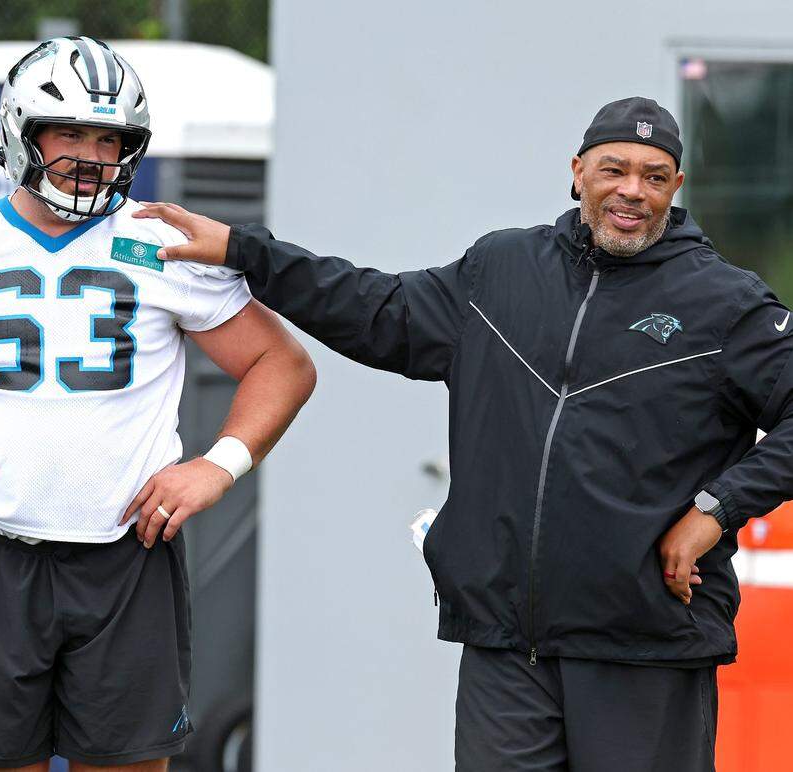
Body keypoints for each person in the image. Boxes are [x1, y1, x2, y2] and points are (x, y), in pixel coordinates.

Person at [133, 97, 793, 771]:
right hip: (506, 649)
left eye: (654, 176)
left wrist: (715, 511)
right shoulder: (501, 270)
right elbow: (374, 308)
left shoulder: (725, 304)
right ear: (578, 172)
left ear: (675, 188)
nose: (632, 190)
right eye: (614, 169)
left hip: (646, 646)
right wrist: (247, 253)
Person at [0, 36, 315, 771]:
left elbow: (282, 363)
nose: (90, 154)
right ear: (23, 133)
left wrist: (217, 466)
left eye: (108, 138)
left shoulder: (159, 246)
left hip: (126, 561)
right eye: (70, 132)